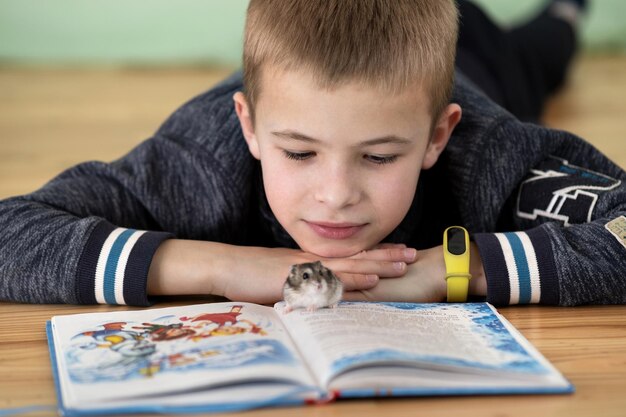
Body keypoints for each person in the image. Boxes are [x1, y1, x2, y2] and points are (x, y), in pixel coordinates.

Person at [0, 0, 624, 307]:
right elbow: (11, 231)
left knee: (544, 51)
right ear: (247, 125)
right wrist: (225, 268)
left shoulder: (489, 151)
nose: (335, 195)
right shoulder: (202, 159)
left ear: (437, 137)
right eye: (298, 153)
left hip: (479, 58)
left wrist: (448, 271)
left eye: (378, 158)